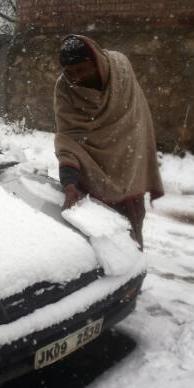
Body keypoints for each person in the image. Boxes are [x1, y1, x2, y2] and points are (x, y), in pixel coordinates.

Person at [54, 34, 164, 249]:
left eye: (82, 69)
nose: (76, 78)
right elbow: (68, 136)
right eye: (70, 72)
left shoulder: (120, 70)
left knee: (130, 232)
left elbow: (131, 118)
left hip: (129, 160)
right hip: (91, 170)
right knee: (100, 238)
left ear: (96, 62)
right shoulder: (65, 88)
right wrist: (69, 182)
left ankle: (132, 272)